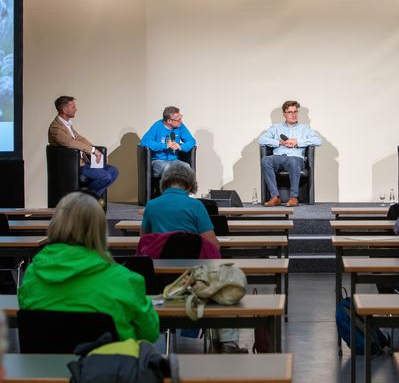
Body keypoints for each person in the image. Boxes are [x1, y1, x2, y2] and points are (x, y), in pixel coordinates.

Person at [18, 192, 159, 342]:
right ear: (100, 230)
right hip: (108, 364)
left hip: (44, 365)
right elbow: (150, 334)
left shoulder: (32, 275)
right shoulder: (126, 280)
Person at [141, 163, 246, 353]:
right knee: (224, 283)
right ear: (190, 184)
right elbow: (213, 244)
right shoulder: (195, 205)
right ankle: (227, 342)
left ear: (164, 183)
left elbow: (143, 243)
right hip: (193, 281)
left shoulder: (152, 206)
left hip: (159, 283)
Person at [48, 96, 119, 200]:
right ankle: (88, 200)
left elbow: (79, 138)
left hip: (84, 163)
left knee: (113, 170)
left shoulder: (67, 125)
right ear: (64, 110)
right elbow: (70, 142)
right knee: (106, 177)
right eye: (73, 107)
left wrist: (98, 152)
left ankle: (88, 199)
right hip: (74, 166)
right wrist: (93, 151)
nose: (76, 109)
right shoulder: (56, 128)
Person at [258, 100, 322, 207]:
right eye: (290, 112)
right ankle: (275, 197)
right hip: (278, 157)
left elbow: (318, 141)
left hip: (296, 158)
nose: (293, 114)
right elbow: (261, 139)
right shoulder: (276, 128)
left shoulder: (305, 128)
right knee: (266, 160)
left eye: (295, 112)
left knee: (292, 160)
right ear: (284, 114)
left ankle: (293, 198)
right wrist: (279, 142)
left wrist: (298, 142)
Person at [140, 106, 196, 177]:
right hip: (158, 161)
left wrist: (181, 147)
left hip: (174, 161)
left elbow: (191, 141)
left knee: (187, 167)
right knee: (169, 169)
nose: (181, 121)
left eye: (181, 118)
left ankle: (182, 188)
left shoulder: (180, 126)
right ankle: (170, 188)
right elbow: (145, 141)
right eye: (178, 120)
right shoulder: (158, 126)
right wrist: (165, 145)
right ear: (169, 121)